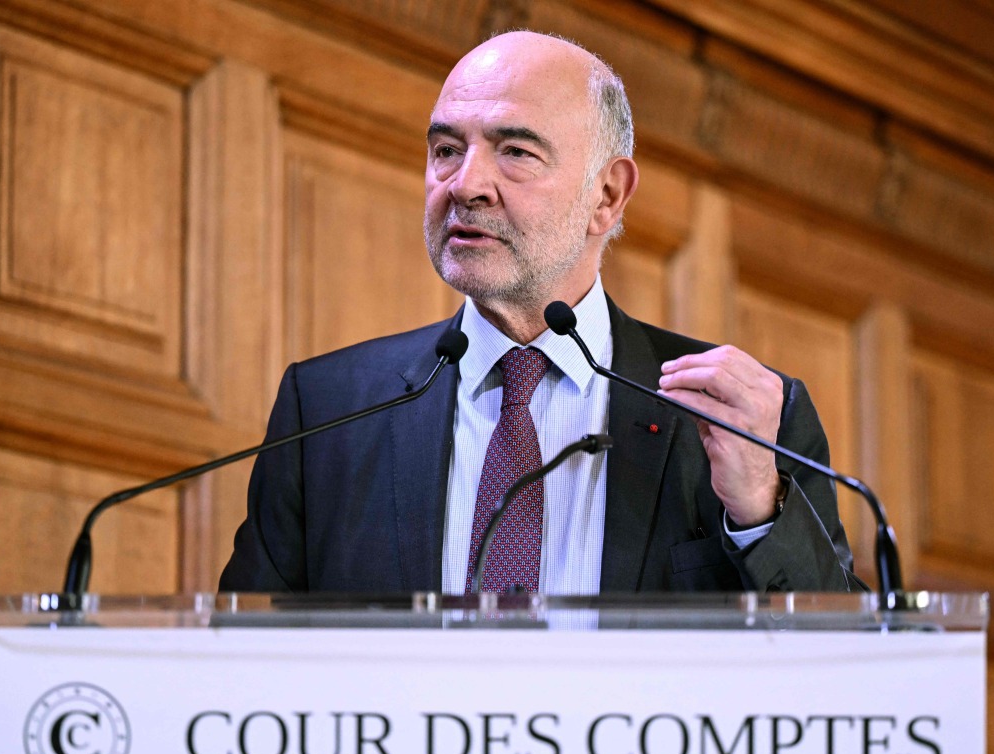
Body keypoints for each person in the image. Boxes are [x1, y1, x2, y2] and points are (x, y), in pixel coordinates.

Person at [219, 31, 862, 594]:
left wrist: (758, 510)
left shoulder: (735, 414)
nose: (465, 185)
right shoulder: (329, 411)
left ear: (606, 196)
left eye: (516, 152)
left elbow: (851, 671)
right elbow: (243, 660)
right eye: (446, 150)